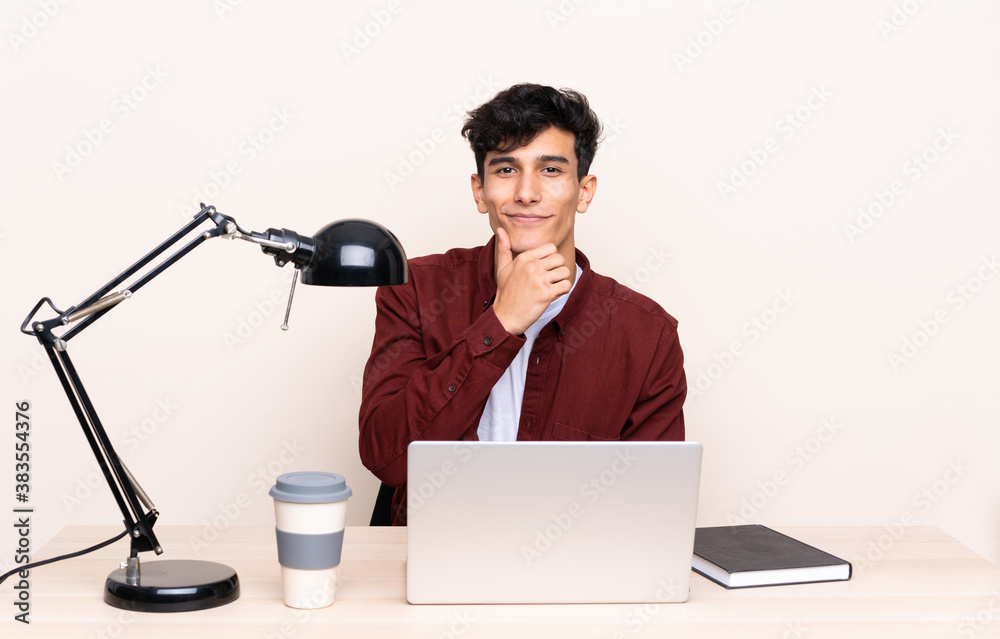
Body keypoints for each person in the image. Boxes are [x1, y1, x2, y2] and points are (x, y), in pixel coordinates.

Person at [359, 83, 686, 525]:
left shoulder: (647, 334)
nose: (527, 193)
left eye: (551, 170)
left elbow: (652, 512)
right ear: (480, 191)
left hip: (575, 575)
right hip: (437, 565)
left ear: (584, 191)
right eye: (506, 170)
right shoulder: (415, 289)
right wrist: (501, 321)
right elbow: (387, 457)